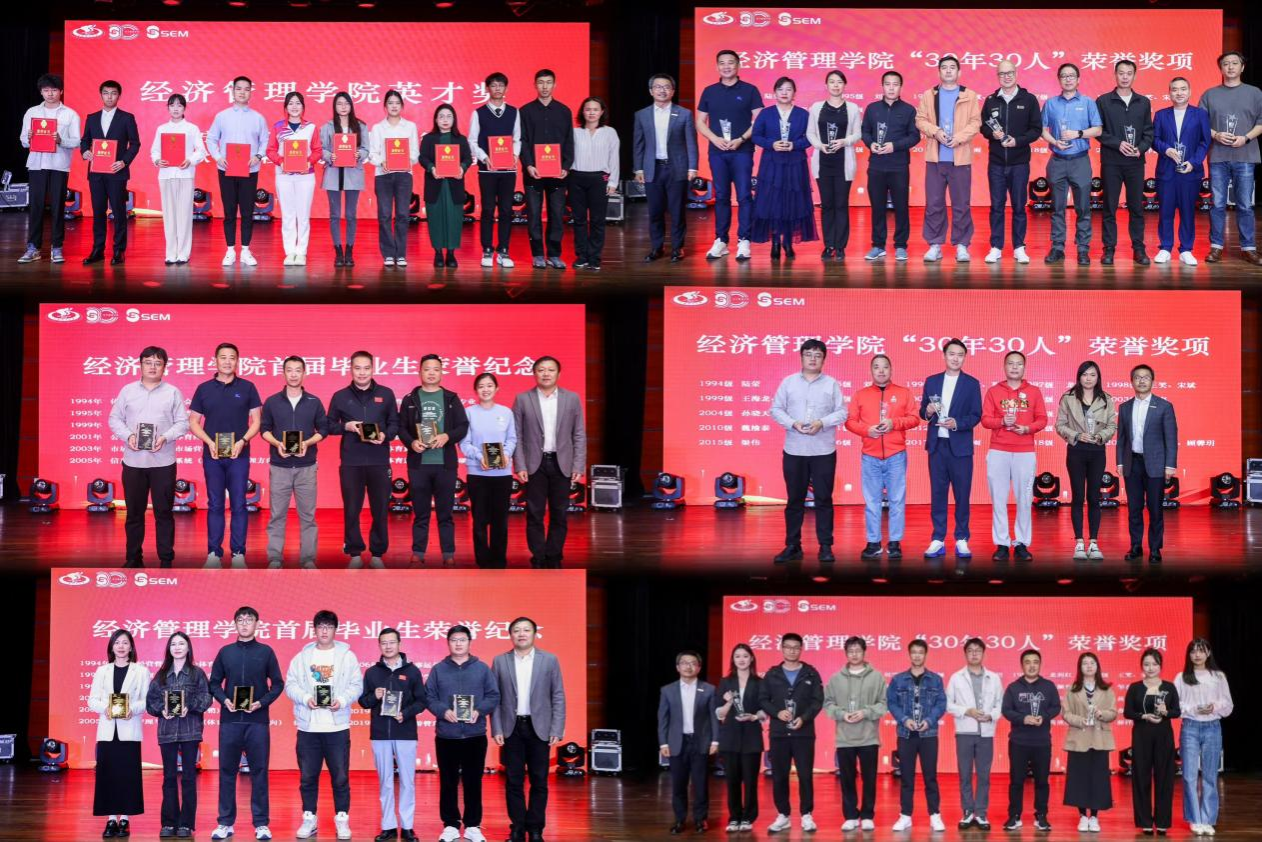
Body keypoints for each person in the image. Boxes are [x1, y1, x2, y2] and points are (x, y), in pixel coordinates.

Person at [107, 345, 189, 568]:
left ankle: (166, 559)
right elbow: (114, 419)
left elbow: (183, 423)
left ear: (164, 367)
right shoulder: (127, 391)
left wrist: (165, 437)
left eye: (158, 363)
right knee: (134, 513)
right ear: (140, 365)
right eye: (148, 362)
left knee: (164, 513)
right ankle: (133, 558)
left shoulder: (172, 392)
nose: (153, 367)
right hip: (133, 462)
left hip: (163, 462)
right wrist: (129, 436)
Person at [285, 610, 364, 841]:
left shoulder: (347, 656)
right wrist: (304, 698)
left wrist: (342, 701)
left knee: (340, 777)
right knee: (308, 777)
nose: (324, 631)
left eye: (329, 626)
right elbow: (290, 685)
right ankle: (309, 818)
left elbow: (356, 685)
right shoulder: (302, 657)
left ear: (335, 630)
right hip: (308, 728)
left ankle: (342, 819)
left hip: (336, 728)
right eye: (321, 626)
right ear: (315, 629)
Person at [208, 606, 284, 841]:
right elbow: (214, 683)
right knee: (227, 771)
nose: (244, 624)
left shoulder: (266, 652)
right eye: (240, 620)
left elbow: (278, 684)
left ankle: (261, 824)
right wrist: (225, 700)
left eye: (249, 620)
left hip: (257, 722)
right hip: (230, 721)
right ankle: (225, 823)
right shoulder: (225, 652)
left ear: (257, 624)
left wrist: (261, 703)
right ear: (234, 624)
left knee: (259, 772)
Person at [769, 339, 848, 564]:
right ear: (801, 357)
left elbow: (842, 412)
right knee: (795, 500)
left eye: (818, 355)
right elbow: (776, 409)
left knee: (824, 499)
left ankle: (825, 546)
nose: (813, 359)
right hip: (795, 450)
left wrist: (821, 423)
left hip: (823, 450)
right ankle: (793, 546)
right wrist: (793, 423)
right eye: (808, 354)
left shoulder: (831, 384)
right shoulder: (789, 382)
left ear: (824, 359)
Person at [491, 617, 567, 842]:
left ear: (534, 634)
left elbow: (558, 695)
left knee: (539, 780)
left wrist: (557, 728)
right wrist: (496, 727)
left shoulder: (549, 660)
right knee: (513, 780)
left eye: (526, 630)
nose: (521, 634)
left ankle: (535, 829)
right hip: (511, 728)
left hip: (539, 728)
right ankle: (517, 827)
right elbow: (495, 698)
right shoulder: (500, 661)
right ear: (510, 635)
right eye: (516, 630)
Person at [188, 342, 262, 569]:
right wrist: (209, 442)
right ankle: (214, 553)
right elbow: (194, 422)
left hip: (239, 454)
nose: (228, 361)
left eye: (232, 357)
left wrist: (243, 441)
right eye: (223, 357)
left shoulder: (248, 387)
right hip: (212, 455)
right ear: (215, 360)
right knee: (215, 504)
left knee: (239, 503)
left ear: (237, 361)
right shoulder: (204, 389)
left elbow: (256, 421)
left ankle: (238, 553)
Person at [426, 625, 501, 842]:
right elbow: (429, 696)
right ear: (448, 643)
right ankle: (450, 824)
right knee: (448, 782)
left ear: (469, 642)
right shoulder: (438, 669)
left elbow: (493, 695)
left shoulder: (482, 669)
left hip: (474, 735)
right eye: (454, 640)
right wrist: (443, 711)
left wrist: (479, 711)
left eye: (462, 640)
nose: (458, 644)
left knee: (473, 782)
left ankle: (472, 825)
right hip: (446, 736)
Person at [327, 350, 399, 568]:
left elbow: (394, 424)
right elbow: (328, 425)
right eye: (357, 368)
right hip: (352, 462)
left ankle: (377, 554)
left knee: (380, 509)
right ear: (351, 369)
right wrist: (346, 426)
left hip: (379, 460)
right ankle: (354, 553)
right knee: (352, 509)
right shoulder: (340, 396)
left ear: (373, 369)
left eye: (366, 368)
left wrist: (385, 435)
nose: (362, 372)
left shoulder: (386, 394)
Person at [512, 356, 585, 567]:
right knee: (534, 512)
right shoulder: (523, 399)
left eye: (550, 370)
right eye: (541, 370)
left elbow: (579, 434)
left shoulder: (572, 398)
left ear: (558, 374)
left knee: (559, 512)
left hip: (562, 463)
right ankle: (538, 555)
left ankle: (554, 555)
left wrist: (578, 464)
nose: (546, 374)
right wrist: (520, 465)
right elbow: (516, 435)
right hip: (534, 464)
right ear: (534, 373)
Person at [845, 354, 919, 560]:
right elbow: (850, 421)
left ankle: (895, 542)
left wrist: (894, 423)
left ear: (891, 369)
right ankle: (873, 542)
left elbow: (914, 418)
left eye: (885, 367)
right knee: (872, 501)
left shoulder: (904, 393)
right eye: (876, 367)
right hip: (870, 456)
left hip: (896, 455)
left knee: (897, 500)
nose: (881, 371)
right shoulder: (860, 395)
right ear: (871, 370)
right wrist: (867, 430)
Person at [399, 354, 470, 565]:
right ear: (420, 372)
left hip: (445, 465)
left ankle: (448, 554)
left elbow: (463, 426)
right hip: (419, 465)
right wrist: (411, 442)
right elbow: (401, 428)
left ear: (441, 372)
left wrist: (447, 436)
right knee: (420, 513)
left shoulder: (451, 398)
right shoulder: (410, 399)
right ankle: (418, 552)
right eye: (427, 369)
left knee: (445, 513)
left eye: (436, 369)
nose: (431, 373)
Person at [259, 355, 327, 569]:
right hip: (279, 467)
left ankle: (308, 559)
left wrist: (307, 443)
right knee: (277, 515)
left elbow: (323, 429)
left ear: (304, 373)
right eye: (290, 370)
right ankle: (275, 558)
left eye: (298, 370)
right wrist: (277, 443)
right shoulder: (272, 401)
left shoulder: (314, 402)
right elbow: (264, 429)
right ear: (284, 373)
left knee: (308, 516)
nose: (294, 374)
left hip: (307, 467)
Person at [359, 627, 426, 842]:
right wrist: (375, 696)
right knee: (385, 782)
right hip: (380, 734)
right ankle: (388, 826)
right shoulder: (372, 672)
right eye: (384, 643)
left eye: (391, 642)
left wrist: (405, 714)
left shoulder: (412, 671)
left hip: (405, 732)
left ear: (399, 644)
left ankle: (407, 827)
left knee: (407, 781)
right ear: (379, 645)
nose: (388, 646)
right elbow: (363, 702)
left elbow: (422, 701)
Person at [981, 351, 1048, 562]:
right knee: (998, 500)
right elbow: (985, 420)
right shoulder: (993, 391)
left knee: (1025, 500)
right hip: (998, 451)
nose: (1014, 367)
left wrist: (1027, 428)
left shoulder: (1034, 391)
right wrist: (1002, 422)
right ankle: (1001, 543)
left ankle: (1021, 543)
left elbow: (1043, 419)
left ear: (1024, 367)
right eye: (1011, 363)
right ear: (1004, 367)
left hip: (1024, 452)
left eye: (1019, 364)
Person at [146, 631, 213, 839]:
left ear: (188, 648)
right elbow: (150, 701)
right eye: (173, 644)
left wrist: (189, 706)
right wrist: (161, 710)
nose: (177, 647)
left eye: (181, 644)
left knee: (189, 778)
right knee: (169, 777)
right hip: (167, 732)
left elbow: (207, 698)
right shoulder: (161, 675)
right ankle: (168, 822)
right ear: (169, 649)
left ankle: (186, 823)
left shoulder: (197, 673)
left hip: (190, 731)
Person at [920, 339, 982, 559]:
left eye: (960, 355)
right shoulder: (932, 381)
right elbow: (922, 412)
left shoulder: (971, 384)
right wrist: (928, 411)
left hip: (961, 448)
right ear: (944, 356)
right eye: (952, 354)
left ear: (965, 357)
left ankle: (962, 538)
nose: (956, 358)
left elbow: (976, 415)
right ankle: (938, 538)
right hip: (937, 446)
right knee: (938, 493)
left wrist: (957, 423)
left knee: (962, 495)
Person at [697, 49, 762, 261]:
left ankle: (744, 240)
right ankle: (721, 240)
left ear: (738, 65)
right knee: (722, 196)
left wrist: (741, 139)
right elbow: (700, 122)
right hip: (717, 151)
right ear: (717, 66)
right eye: (722, 63)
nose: (726, 66)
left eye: (731, 62)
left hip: (742, 150)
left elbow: (758, 121)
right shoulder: (709, 91)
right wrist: (714, 139)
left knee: (744, 196)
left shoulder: (750, 90)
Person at [915, 55, 981, 262]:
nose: (949, 71)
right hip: (935, 158)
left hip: (960, 158)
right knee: (934, 203)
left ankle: (962, 245)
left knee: (961, 204)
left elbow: (975, 123)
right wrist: (936, 132)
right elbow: (920, 120)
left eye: (953, 67)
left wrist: (958, 138)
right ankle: (935, 244)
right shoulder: (929, 95)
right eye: (944, 67)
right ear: (939, 72)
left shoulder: (969, 95)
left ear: (959, 72)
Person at [1200, 51, 1262, 264]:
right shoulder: (1210, 94)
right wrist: (1215, 134)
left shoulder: (1255, 93)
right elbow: (1200, 123)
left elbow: (1261, 122)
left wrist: (1246, 138)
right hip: (1218, 156)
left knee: (1244, 205)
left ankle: (1248, 248)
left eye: (1235, 63)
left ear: (1242, 67)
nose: (1230, 67)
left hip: (1245, 155)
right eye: (1226, 64)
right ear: (1221, 68)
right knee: (1217, 204)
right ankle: (1216, 247)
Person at [760, 633, 824, 834]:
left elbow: (817, 701)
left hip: (803, 733)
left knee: (805, 775)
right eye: (788, 647)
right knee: (779, 776)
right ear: (781, 648)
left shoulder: (811, 673)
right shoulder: (772, 674)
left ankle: (807, 814)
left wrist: (804, 718)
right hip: (779, 733)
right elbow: (763, 699)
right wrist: (776, 713)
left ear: (801, 649)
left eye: (796, 647)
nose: (792, 651)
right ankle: (783, 815)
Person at [89, 629, 150, 839]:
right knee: (107, 776)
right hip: (107, 731)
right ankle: (110, 819)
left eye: (125, 642)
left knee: (127, 776)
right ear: (111, 647)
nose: (121, 646)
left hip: (129, 730)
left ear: (131, 646)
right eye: (117, 643)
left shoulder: (141, 671)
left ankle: (124, 818)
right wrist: (105, 708)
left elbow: (146, 700)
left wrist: (132, 709)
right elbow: (92, 700)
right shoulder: (102, 671)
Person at [980, 61, 1042, 264]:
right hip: (996, 163)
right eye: (1002, 73)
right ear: (998, 76)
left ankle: (1019, 247)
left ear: (1016, 74)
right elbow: (983, 127)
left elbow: (1036, 130)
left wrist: (1018, 141)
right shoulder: (991, 100)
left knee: (1019, 206)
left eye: (1010, 73)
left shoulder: (1029, 99)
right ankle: (996, 247)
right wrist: (993, 134)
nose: (1006, 76)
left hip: (1019, 163)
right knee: (996, 206)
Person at [823, 636, 887, 832]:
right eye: (850, 651)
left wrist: (865, 712)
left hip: (869, 737)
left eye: (858, 650)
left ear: (864, 652)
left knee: (869, 779)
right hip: (844, 738)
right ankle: (850, 815)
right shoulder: (836, 678)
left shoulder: (876, 677)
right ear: (845, 653)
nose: (854, 654)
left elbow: (884, 704)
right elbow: (828, 703)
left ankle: (867, 815)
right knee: (847, 779)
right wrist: (842, 714)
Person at [1054, 361, 1116, 561]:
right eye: (1084, 374)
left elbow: (1112, 425)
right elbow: (1060, 425)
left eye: (1092, 375)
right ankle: (1079, 542)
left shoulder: (1106, 399)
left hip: (1097, 451)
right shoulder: (1068, 397)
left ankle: (1094, 543)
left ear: (1098, 378)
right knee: (1078, 496)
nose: (1088, 378)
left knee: (1094, 497)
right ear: (1079, 376)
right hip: (1076, 451)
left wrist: (1100, 437)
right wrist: (1077, 435)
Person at [1115, 364, 1177, 563]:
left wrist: (1170, 465)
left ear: (1152, 381)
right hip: (1132, 463)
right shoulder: (1125, 407)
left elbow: (1171, 438)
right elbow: (1121, 438)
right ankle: (1135, 546)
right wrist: (1120, 462)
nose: (1141, 381)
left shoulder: (1164, 406)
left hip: (1156, 465)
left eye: (1146, 377)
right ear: (1131, 381)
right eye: (1137, 377)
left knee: (1155, 509)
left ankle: (1155, 549)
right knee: (1134, 508)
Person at [1041, 64, 1103, 265]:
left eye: (1071, 76)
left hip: (1080, 161)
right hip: (1057, 160)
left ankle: (1083, 248)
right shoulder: (1051, 104)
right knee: (1057, 207)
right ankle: (1057, 247)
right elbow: (1042, 129)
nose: (1068, 79)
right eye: (1064, 76)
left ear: (1078, 79)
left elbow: (1098, 129)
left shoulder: (1088, 103)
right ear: (1059, 79)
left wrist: (1078, 134)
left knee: (1083, 208)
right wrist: (1054, 141)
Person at [206, 76, 270, 267]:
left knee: (248, 211)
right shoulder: (222, 116)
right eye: (239, 88)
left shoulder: (258, 118)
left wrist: (258, 156)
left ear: (251, 92)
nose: (242, 92)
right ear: (233, 91)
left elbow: (265, 141)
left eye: (246, 89)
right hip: (226, 169)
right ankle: (230, 250)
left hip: (250, 169)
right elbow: (211, 139)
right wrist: (218, 157)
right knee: (229, 211)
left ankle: (246, 251)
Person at [633, 74, 697, 263]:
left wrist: (693, 167)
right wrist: (638, 169)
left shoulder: (684, 114)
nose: (662, 90)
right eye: (658, 87)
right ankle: (657, 247)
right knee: (655, 211)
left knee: (677, 211)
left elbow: (691, 143)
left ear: (673, 91)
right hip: (653, 169)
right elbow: (638, 144)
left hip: (677, 168)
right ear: (651, 91)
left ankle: (677, 248)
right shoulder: (642, 115)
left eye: (666, 87)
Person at [18, 73, 80, 264]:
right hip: (36, 164)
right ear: (41, 92)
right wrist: (29, 138)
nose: (50, 94)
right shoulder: (31, 112)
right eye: (46, 90)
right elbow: (23, 140)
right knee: (36, 206)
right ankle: (33, 248)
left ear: (61, 91)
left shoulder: (70, 114)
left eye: (54, 90)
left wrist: (61, 140)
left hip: (59, 165)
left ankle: (57, 247)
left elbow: (77, 141)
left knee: (58, 207)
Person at [751, 77, 816, 259]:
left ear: (794, 93)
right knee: (773, 202)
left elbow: (810, 138)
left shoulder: (803, 114)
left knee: (792, 202)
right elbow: (756, 136)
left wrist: (795, 145)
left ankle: (788, 242)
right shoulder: (766, 113)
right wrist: (771, 144)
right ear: (775, 93)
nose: (784, 92)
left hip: (795, 164)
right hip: (771, 164)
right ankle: (775, 242)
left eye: (788, 89)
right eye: (781, 89)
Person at [1097, 60, 1155, 265]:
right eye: (1121, 73)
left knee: (1136, 207)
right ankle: (1108, 249)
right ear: (1115, 75)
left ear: (1134, 76)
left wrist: (1140, 148)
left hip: (1135, 163)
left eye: (1129, 73)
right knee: (1109, 207)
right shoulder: (1103, 101)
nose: (1124, 77)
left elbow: (1149, 132)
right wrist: (1117, 143)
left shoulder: (1143, 102)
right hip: (1111, 162)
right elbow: (1098, 131)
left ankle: (1139, 248)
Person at [1174, 639, 1234, 836]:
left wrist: (1213, 707)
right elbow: (1175, 705)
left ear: (1208, 653)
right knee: (1189, 776)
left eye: (1201, 651)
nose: (1197, 655)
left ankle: (1208, 819)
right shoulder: (1181, 677)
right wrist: (1194, 709)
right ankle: (1194, 819)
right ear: (1189, 655)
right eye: (1193, 651)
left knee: (1210, 775)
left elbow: (1228, 705)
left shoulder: (1218, 676)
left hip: (1212, 727)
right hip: (1190, 727)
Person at [887, 640, 947, 832]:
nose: (917, 655)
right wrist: (905, 720)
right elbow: (891, 703)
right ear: (909, 654)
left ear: (926, 654)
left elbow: (941, 704)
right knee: (906, 777)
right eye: (914, 652)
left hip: (928, 734)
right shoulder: (898, 680)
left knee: (930, 777)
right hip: (906, 734)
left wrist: (929, 720)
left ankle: (935, 815)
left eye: (921, 652)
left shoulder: (935, 679)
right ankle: (905, 816)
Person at [79, 80, 141, 266]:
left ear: (119, 96)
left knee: (119, 212)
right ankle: (98, 250)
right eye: (106, 93)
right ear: (101, 95)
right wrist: (85, 151)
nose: (109, 97)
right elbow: (85, 140)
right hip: (96, 173)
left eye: (113, 93)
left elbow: (135, 144)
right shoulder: (92, 118)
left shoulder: (127, 118)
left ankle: (119, 251)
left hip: (116, 172)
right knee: (98, 211)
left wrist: (124, 162)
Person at [658, 650, 719, 834]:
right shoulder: (667, 690)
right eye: (684, 663)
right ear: (678, 667)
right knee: (678, 784)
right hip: (677, 742)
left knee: (700, 784)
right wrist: (663, 743)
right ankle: (680, 820)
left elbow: (714, 717)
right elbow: (663, 718)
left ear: (699, 667)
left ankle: (701, 819)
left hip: (700, 742)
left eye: (693, 663)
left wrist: (715, 741)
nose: (688, 666)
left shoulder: (709, 689)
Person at [1152, 78, 1212, 266]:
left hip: (1190, 171)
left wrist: (1193, 162)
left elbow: (1205, 142)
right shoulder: (1161, 115)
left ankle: (1186, 249)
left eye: (1183, 89)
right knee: (1165, 211)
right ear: (1169, 93)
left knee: (1188, 212)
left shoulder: (1200, 114)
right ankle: (1165, 247)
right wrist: (1166, 149)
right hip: (1166, 170)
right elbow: (1154, 139)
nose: (1179, 93)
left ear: (1190, 91)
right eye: (1175, 89)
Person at [461, 372, 518, 568]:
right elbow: (464, 443)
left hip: (502, 474)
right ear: (475, 390)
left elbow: (512, 439)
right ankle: (483, 561)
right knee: (480, 520)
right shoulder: (469, 412)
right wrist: (480, 457)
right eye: (481, 386)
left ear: (497, 388)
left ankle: (499, 560)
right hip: (477, 473)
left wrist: (507, 454)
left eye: (489, 385)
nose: (485, 389)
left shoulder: (506, 412)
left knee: (500, 520)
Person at [520, 69, 574, 269]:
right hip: (533, 172)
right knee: (534, 214)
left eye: (548, 82)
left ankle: (554, 254)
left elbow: (569, 141)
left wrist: (566, 166)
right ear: (535, 85)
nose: (544, 86)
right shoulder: (525, 111)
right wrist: (528, 164)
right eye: (541, 82)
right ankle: (537, 255)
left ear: (554, 85)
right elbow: (523, 141)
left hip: (558, 173)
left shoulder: (564, 111)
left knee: (557, 214)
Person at [1001, 649, 1061, 832]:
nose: (1032, 665)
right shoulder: (1013, 688)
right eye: (1028, 662)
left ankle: (1041, 815)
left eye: (1035, 662)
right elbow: (1006, 710)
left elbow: (1056, 707)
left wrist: (1044, 716)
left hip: (1042, 742)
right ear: (1022, 665)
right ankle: (1014, 816)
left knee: (1042, 781)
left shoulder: (1049, 686)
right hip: (1019, 742)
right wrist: (1023, 719)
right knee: (1016, 781)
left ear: (1040, 664)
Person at [946, 638, 1003, 830]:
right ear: (965, 654)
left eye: (978, 650)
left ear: (983, 653)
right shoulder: (956, 677)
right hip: (964, 732)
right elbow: (948, 704)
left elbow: (1000, 704)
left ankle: (981, 813)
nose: (974, 654)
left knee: (984, 775)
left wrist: (991, 716)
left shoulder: (994, 678)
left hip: (986, 733)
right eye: (970, 650)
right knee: (965, 774)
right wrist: (967, 711)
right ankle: (967, 811)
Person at [806, 70, 863, 260]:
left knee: (841, 204)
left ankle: (840, 246)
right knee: (827, 205)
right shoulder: (816, 107)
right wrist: (819, 145)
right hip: (823, 163)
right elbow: (810, 133)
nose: (836, 85)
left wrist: (844, 141)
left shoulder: (852, 108)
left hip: (843, 164)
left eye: (839, 82)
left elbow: (858, 134)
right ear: (826, 85)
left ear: (844, 85)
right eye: (832, 82)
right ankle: (828, 245)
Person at [861, 71, 918, 261]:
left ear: (901, 87)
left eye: (895, 84)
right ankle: (878, 245)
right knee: (877, 207)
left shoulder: (909, 110)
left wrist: (894, 146)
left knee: (901, 207)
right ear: (882, 86)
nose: (891, 88)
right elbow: (865, 131)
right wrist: (871, 144)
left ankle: (901, 245)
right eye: (888, 84)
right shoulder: (872, 109)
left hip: (898, 166)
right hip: (876, 165)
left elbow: (914, 136)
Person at [1125, 648, 1181, 836]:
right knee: (1141, 777)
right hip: (1141, 735)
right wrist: (1144, 716)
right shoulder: (1135, 687)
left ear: (1160, 666)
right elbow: (1127, 712)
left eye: (1154, 664)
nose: (1150, 668)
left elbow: (1176, 712)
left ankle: (1163, 821)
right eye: (1147, 664)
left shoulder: (1169, 687)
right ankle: (1145, 822)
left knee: (1165, 777)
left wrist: (1165, 712)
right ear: (1142, 666)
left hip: (1163, 735)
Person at [468, 72, 521, 267]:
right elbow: (472, 140)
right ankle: (487, 249)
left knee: (506, 210)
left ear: (506, 88)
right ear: (487, 88)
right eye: (493, 85)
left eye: (501, 85)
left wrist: (514, 155)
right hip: (487, 170)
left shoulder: (514, 112)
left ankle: (504, 250)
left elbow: (517, 138)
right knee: (488, 209)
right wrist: (485, 157)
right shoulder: (478, 113)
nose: (497, 88)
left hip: (508, 170)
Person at [1063, 652, 1118, 831]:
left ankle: (1094, 816)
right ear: (1080, 667)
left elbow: (1113, 712)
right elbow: (1066, 713)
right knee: (1078, 778)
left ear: (1097, 666)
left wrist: (1102, 714)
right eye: (1085, 663)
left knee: (1098, 779)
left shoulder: (1106, 689)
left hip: (1100, 738)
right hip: (1079, 738)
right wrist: (1081, 720)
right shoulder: (1073, 689)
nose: (1088, 666)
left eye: (1092, 663)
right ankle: (1082, 816)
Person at [265, 91, 322, 266]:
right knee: (288, 215)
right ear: (285, 107)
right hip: (284, 176)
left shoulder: (311, 127)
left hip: (305, 177)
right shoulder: (278, 127)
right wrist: (281, 162)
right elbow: (270, 150)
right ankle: (290, 252)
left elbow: (318, 150)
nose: (294, 107)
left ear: (303, 107)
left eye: (298, 103)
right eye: (290, 103)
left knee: (303, 216)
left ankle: (301, 252)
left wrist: (308, 162)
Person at [151, 93, 208, 264]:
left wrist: (190, 160)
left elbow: (201, 151)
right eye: (172, 105)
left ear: (184, 108)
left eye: (179, 105)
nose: (175, 109)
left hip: (185, 175)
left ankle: (183, 253)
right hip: (166, 175)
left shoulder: (192, 129)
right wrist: (157, 160)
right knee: (169, 214)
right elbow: (155, 150)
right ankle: (170, 252)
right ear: (168, 108)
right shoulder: (161, 129)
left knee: (184, 214)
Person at [715, 644, 765, 834]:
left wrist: (754, 716)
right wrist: (729, 701)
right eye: (737, 656)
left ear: (751, 658)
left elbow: (765, 710)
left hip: (752, 736)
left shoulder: (759, 682)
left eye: (745, 656)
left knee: (751, 781)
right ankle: (734, 817)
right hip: (730, 737)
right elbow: (719, 713)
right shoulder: (726, 682)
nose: (741, 659)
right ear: (733, 660)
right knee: (732, 781)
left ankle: (748, 817)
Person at [368, 89, 420, 267]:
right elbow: (372, 154)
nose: (394, 106)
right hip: (383, 175)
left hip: (404, 175)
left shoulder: (410, 127)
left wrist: (406, 161)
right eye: (390, 103)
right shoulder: (377, 128)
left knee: (403, 215)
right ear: (385, 106)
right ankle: (388, 253)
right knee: (384, 215)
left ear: (402, 106)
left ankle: (401, 253)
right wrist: (381, 162)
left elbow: (415, 153)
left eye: (397, 103)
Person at [569, 96, 620, 271]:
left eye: (595, 109)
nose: (591, 113)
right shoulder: (574, 132)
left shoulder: (610, 132)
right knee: (579, 220)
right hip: (576, 178)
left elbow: (614, 158)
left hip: (600, 179)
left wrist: (613, 181)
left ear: (602, 112)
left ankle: (594, 257)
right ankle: (581, 256)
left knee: (598, 220)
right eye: (588, 109)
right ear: (583, 112)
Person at [420, 103, 473, 268]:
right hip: (435, 183)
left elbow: (468, 158)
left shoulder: (461, 139)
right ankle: (437, 253)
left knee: (453, 219)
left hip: (454, 185)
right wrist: (432, 168)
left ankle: (451, 253)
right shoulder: (428, 139)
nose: (445, 120)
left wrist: (462, 168)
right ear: (436, 119)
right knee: (435, 219)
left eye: (449, 116)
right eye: (441, 116)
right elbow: (423, 158)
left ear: (454, 119)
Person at [320, 91, 369, 267]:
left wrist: (359, 154)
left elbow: (366, 149)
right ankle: (338, 251)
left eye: (346, 103)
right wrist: (329, 156)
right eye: (339, 103)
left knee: (350, 215)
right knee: (334, 215)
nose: (343, 107)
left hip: (353, 174)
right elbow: (321, 149)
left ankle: (349, 250)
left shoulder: (360, 126)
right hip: (333, 173)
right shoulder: (327, 126)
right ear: (334, 106)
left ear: (351, 106)